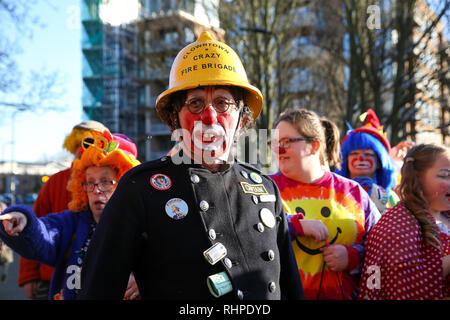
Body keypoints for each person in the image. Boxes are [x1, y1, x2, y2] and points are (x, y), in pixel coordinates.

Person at [77, 31, 304, 300]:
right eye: (195, 104)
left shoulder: (265, 188)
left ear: (241, 118)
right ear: (175, 118)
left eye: (222, 103)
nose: (209, 117)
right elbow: (97, 291)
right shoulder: (139, 189)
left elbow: (290, 289)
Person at [0, 131, 141, 300]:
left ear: (124, 184)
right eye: (90, 182)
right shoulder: (72, 222)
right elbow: (45, 233)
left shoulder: (144, 224)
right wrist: (23, 220)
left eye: (106, 181)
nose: (96, 190)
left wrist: (146, 279)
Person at [270, 108, 380, 300]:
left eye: (286, 142)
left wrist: (354, 258)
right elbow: (248, 234)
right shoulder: (265, 189)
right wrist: (293, 226)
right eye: (275, 143)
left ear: (314, 146)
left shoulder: (353, 193)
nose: (279, 150)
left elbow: (382, 251)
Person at [18, 120, 109, 300]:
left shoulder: (113, 179)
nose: (82, 150)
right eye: (78, 145)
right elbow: (34, 226)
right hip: (51, 276)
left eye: (91, 144)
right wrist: (29, 275)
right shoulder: (55, 182)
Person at [359, 143, 450, 300]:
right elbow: (409, 285)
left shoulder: (446, 216)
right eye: (444, 175)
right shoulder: (396, 227)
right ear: (418, 178)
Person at [336, 109, 398, 214]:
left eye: (368, 154)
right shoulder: (333, 192)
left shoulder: (391, 198)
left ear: (380, 162)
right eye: (354, 153)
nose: (360, 158)